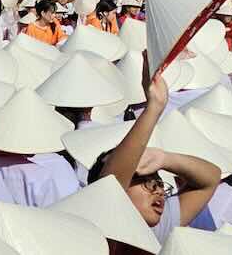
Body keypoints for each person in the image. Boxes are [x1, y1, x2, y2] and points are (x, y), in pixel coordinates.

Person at [90, 70, 221, 243]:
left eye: (159, 184)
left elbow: (210, 179)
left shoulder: (157, 228)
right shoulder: (102, 226)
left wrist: (165, 159)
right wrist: (154, 107)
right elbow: (110, 184)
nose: (159, 191)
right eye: (148, 183)